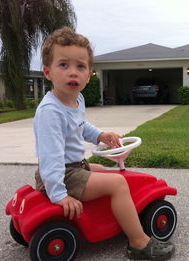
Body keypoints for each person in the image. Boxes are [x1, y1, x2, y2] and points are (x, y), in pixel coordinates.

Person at [33, 27, 175, 260]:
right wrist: (59, 195)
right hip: (62, 175)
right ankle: (139, 242)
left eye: (80, 66)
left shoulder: (75, 99)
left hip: (74, 167)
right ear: (48, 72)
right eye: (63, 65)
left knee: (105, 171)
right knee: (118, 183)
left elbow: (80, 127)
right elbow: (51, 157)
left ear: (89, 74)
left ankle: (115, 216)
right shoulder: (50, 111)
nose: (73, 73)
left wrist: (100, 135)